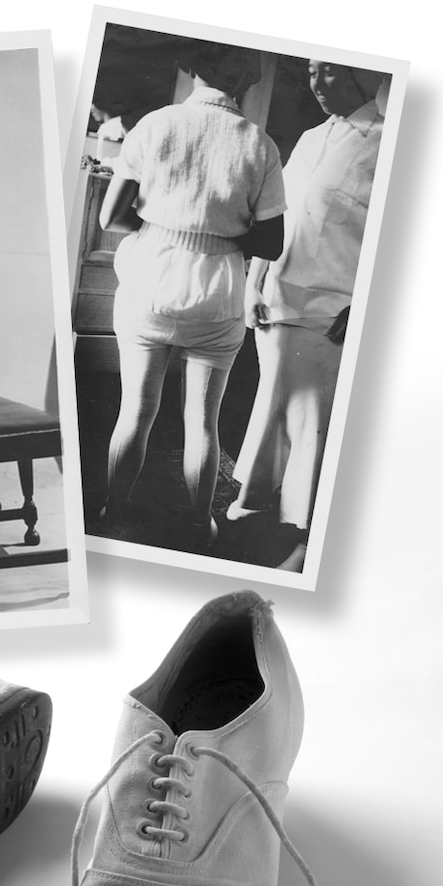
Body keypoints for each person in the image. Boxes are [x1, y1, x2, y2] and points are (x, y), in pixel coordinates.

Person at [96, 43, 286, 551]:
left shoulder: (155, 124)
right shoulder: (259, 145)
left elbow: (110, 218)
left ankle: (114, 514)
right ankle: (201, 524)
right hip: (217, 290)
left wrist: (166, 225)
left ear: (193, 66)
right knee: (202, 421)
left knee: (135, 411)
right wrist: (218, 231)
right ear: (247, 77)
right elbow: (270, 243)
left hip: (151, 277)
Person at [228, 62, 386, 571]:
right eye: (312, 74)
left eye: (330, 74)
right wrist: (254, 283)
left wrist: (363, 305)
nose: (317, 85)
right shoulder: (311, 136)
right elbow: (278, 215)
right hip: (276, 298)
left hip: (330, 306)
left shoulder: (387, 142)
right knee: (271, 408)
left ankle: (303, 540)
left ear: (361, 76)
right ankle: (253, 506)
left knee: (311, 423)